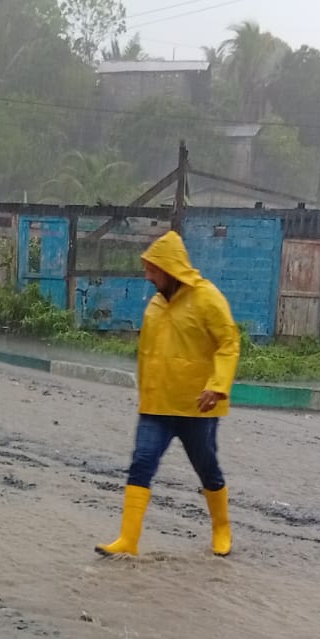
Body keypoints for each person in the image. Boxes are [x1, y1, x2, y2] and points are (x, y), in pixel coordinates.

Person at [96, 229, 240, 559]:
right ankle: (128, 540)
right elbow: (148, 355)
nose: (147, 276)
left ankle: (221, 528)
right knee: (141, 463)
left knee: (207, 467)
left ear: (169, 269)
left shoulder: (207, 298)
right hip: (157, 406)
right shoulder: (156, 305)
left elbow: (228, 343)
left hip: (197, 406)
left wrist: (217, 386)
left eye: (152, 270)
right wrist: (145, 394)